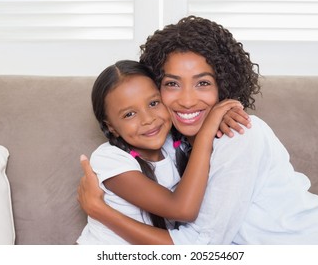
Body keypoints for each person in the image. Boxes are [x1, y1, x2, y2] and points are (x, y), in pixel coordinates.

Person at [78, 16, 318, 244]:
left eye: (203, 83)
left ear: (223, 86)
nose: (187, 99)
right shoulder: (176, 143)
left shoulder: (240, 134)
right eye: (172, 84)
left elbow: (200, 246)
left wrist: (100, 210)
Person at [76, 60, 245, 244]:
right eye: (129, 114)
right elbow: (183, 209)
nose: (148, 119)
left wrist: (221, 117)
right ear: (112, 127)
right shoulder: (110, 160)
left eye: (154, 103)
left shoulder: (174, 145)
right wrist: (207, 130)